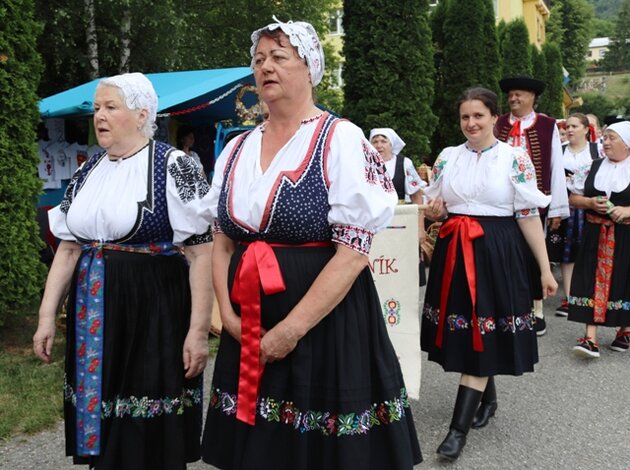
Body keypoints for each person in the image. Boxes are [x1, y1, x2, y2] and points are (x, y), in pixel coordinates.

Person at [201, 18, 422, 470]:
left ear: (310, 68)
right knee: (258, 446)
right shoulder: (236, 148)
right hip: (248, 316)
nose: (266, 67)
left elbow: (353, 252)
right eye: (259, 59)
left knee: (320, 450)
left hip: (323, 321)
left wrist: (292, 328)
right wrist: (226, 313)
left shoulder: (340, 139)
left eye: (279, 57)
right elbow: (221, 242)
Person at [33, 73, 214, 469]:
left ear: (142, 113)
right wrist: (47, 316)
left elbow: (202, 253)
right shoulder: (87, 171)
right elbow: (67, 249)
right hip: (94, 312)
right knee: (102, 415)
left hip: (152, 310)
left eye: (110, 107)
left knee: (145, 427)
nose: (99, 115)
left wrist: (198, 331)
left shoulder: (175, 165)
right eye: (97, 108)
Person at [422, 87, 557, 461]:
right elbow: (435, 207)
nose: (471, 123)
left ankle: (456, 432)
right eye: (465, 117)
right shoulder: (448, 157)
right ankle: (488, 399)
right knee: (475, 329)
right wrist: (433, 213)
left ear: (495, 117)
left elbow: (528, 216)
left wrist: (545, 269)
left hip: (496, 250)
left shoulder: (514, 157)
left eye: (478, 115)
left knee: (483, 328)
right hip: (454, 250)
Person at [495, 75, 569, 336]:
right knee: (503, 253)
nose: (514, 98)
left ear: (532, 97)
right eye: (511, 94)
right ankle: (509, 307)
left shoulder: (548, 126)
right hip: (500, 201)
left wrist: (557, 209)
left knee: (535, 256)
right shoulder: (498, 123)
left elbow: (555, 168)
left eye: (520, 94)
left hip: (534, 202)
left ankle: (536, 311)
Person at [567, 121, 630, 358]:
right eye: (604, 138)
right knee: (588, 278)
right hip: (595, 233)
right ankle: (590, 338)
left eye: (612, 138)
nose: (606, 142)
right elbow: (574, 197)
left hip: (626, 235)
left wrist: (627, 211)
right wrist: (590, 203)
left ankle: (624, 330)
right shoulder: (591, 167)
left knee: (625, 280)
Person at [548, 113, 600, 316]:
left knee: (589, 252)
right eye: (567, 126)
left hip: (589, 206)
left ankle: (589, 296)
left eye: (574, 126)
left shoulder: (596, 151)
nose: (569, 130)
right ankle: (569, 298)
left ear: (586, 129)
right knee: (566, 253)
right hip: (565, 206)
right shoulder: (559, 152)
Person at [369, 127, 427, 284]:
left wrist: (420, 228)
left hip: (401, 224)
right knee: (379, 268)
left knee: (402, 271)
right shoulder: (365, 164)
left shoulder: (404, 163)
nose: (379, 145)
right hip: (374, 225)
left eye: (383, 141)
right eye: (375, 141)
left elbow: (417, 195)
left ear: (391, 144)